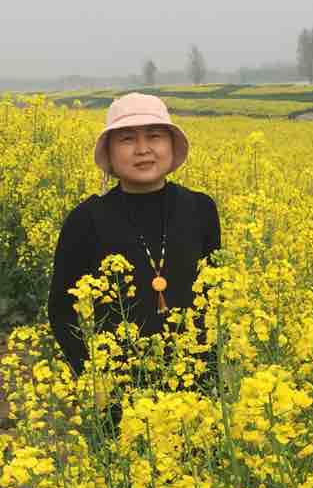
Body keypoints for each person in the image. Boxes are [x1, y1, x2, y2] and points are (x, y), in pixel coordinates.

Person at [47, 92, 221, 380]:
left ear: (171, 145)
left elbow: (214, 296)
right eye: (127, 139)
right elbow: (62, 311)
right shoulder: (86, 220)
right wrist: (94, 377)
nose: (143, 149)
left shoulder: (201, 209)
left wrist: (211, 373)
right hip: (121, 384)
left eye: (154, 136)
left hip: (195, 381)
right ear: (110, 153)